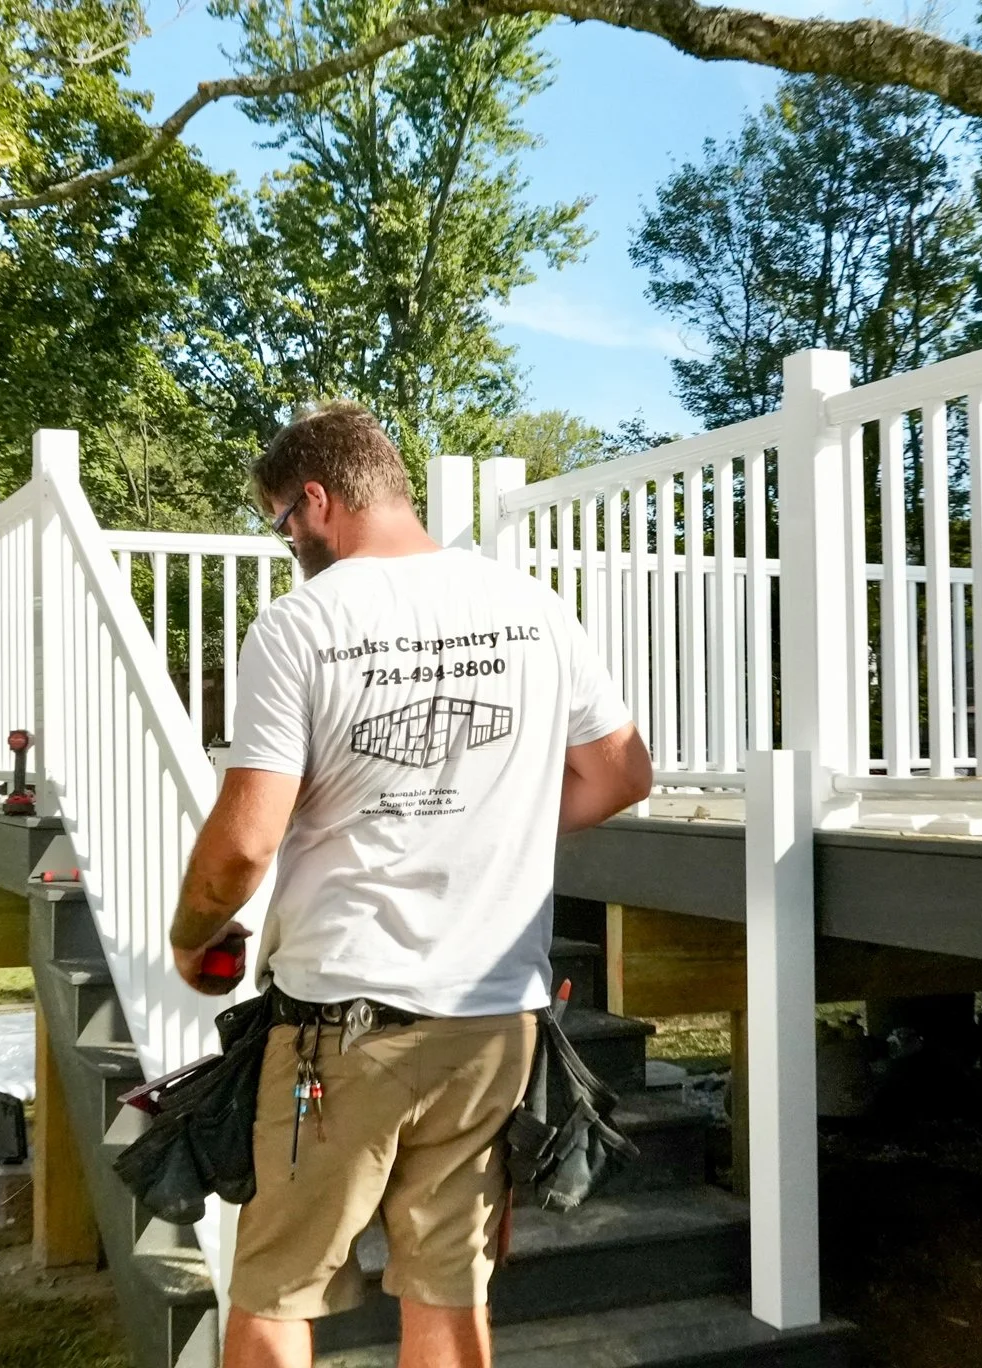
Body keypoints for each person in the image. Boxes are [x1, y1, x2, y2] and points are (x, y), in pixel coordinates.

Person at [166, 401, 652, 1368]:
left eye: (282, 522)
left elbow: (243, 846)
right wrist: (495, 812)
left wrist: (190, 935)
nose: (288, 544)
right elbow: (620, 774)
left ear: (318, 498)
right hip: (492, 1026)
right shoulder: (534, 608)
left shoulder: (301, 626)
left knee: (275, 1295)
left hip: (341, 1031)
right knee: (448, 1296)